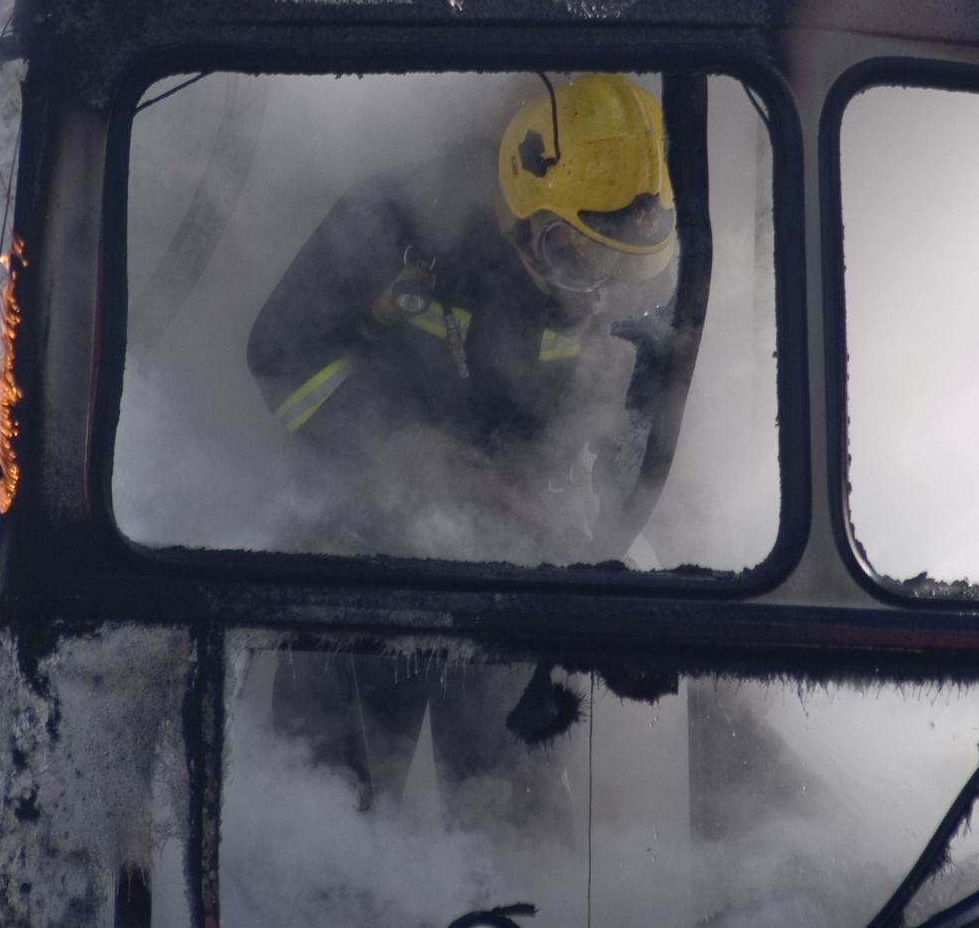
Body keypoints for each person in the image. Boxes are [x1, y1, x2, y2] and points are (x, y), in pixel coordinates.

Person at [245, 72, 680, 821]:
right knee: (322, 814)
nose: (595, 291)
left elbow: (643, 439)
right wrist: (397, 447)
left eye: (623, 272)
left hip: (520, 576)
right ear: (520, 193)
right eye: (575, 259)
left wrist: (587, 535)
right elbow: (282, 354)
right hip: (361, 566)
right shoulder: (390, 222)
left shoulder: (632, 253)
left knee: (512, 821)